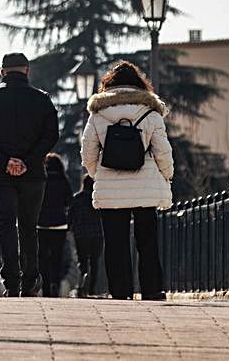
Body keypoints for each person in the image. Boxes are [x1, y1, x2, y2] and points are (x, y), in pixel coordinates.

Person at [80, 61, 174, 301]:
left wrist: (97, 174)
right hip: (146, 184)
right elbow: (163, 151)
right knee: (147, 241)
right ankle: (152, 289)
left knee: (115, 243)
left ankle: (120, 291)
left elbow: (88, 153)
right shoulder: (151, 113)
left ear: (108, 84)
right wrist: (167, 175)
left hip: (111, 187)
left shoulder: (98, 114)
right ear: (139, 84)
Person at [0, 52, 59, 297]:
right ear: (27, 71)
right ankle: (30, 278)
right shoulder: (42, 99)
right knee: (29, 226)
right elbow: (50, 135)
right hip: (33, 174)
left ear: (2, 72)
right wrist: (28, 161)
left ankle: (11, 279)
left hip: (0, 173)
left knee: (6, 223)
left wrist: (5, 160)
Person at [36, 153, 72, 298]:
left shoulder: (40, 180)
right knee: (57, 256)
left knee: (43, 257)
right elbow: (69, 201)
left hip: (41, 223)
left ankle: (45, 286)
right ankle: (55, 283)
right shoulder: (64, 180)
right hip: (59, 224)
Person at [68, 174, 103, 298]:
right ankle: (92, 288)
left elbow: (70, 216)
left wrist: (69, 227)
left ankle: (82, 282)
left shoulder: (77, 198)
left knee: (82, 260)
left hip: (80, 234)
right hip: (97, 234)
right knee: (95, 262)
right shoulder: (98, 199)